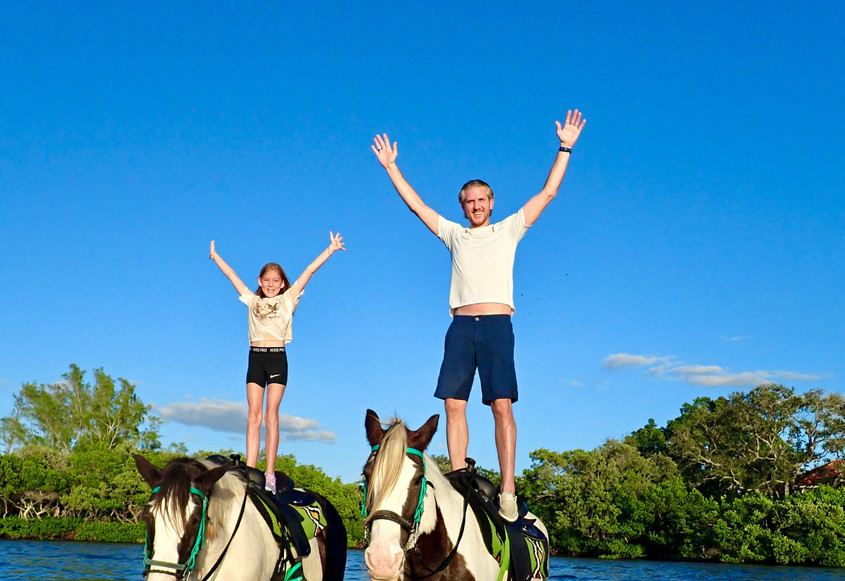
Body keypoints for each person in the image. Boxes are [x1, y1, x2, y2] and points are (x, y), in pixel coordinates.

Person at [372, 110, 585, 521]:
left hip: (496, 325)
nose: (475, 206)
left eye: (481, 200)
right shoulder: (454, 233)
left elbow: (548, 193)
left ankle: (507, 489)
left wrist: (565, 147)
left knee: (501, 405)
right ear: (463, 207)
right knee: (454, 404)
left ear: (491, 203)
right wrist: (392, 168)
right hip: (460, 327)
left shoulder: (508, 229)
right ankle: (457, 479)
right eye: (468, 202)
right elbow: (417, 206)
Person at [209, 233, 345, 492]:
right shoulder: (253, 301)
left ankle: (269, 473)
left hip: (277, 359)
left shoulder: (288, 299)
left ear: (282, 283)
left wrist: (331, 250)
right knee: (253, 416)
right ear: (260, 281)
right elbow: (232, 277)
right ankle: (249, 469)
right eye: (266, 280)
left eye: (275, 280)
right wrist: (215, 257)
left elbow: (309, 271)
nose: (271, 284)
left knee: (271, 415)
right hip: (255, 358)